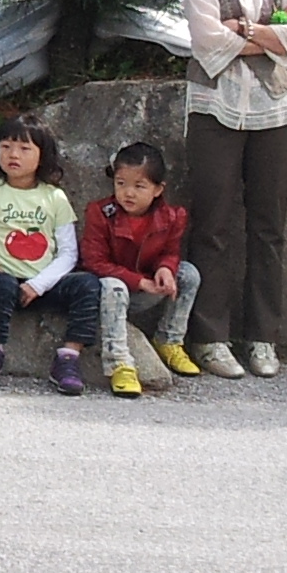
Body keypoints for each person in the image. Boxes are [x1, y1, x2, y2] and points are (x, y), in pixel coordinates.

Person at [183, 0, 287, 382]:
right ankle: (209, 337)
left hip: (273, 109)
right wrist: (268, 37)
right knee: (211, 222)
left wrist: (246, 30)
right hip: (214, 106)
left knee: (269, 225)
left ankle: (262, 336)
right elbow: (205, 37)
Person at [0, 115, 94, 394]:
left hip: (42, 285)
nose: (13, 155)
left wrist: (38, 285)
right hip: (0, 283)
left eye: (24, 148)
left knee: (88, 285)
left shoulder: (55, 198)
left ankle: (68, 357)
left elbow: (68, 253)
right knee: (2, 282)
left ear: (42, 156)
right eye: (6, 146)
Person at [82, 139, 200, 395]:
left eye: (139, 186)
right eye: (121, 184)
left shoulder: (172, 217)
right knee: (113, 286)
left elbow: (170, 252)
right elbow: (94, 262)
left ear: (158, 189)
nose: (128, 193)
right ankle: (119, 362)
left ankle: (169, 340)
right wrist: (139, 282)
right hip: (109, 294)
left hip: (146, 290)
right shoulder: (100, 213)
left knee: (188, 274)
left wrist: (165, 268)